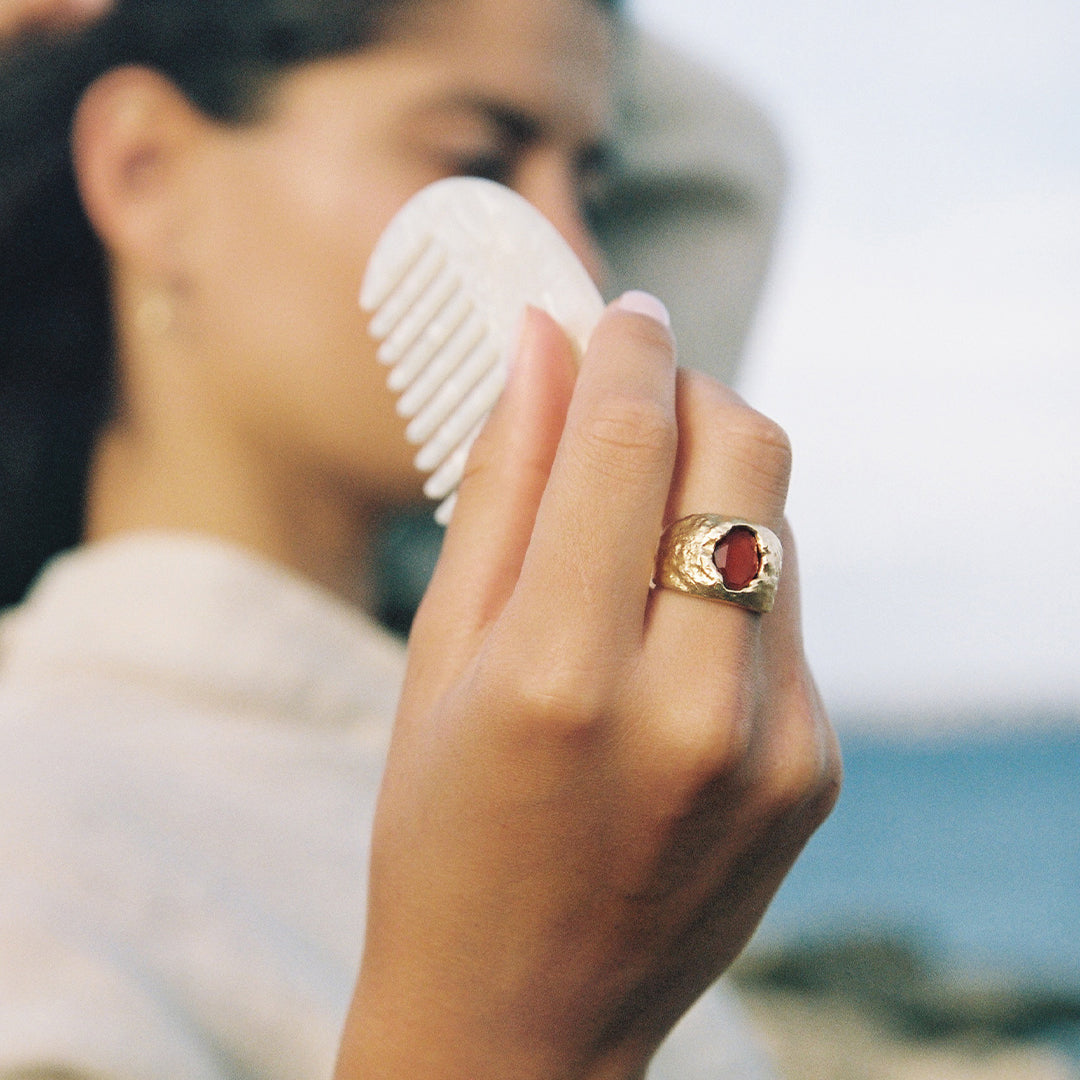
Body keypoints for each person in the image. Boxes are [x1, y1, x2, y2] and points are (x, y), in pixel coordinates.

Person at [0, 2, 841, 1078]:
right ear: (147, 174)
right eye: (479, 161)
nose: (578, 256)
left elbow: (725, 148)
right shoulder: (40, 857)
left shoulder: (488, 741)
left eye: (594, 188)